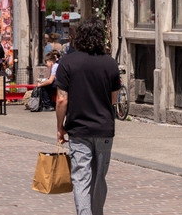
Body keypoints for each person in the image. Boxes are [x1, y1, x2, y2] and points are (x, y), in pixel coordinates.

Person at [54, 15, 121, 215]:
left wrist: (60, 126)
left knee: (81, 177)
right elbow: (114, 99)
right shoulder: (110, 63)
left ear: (79, 37)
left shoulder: (68, 62)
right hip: (103, 128)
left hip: (79, 129)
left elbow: (61, 100)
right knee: (99, 178)